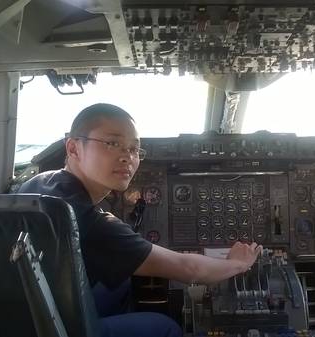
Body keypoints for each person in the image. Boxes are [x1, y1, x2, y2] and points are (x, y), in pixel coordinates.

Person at [18, 103, 262, 337]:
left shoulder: (40, 182)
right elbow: (189, 269)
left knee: (121, 281)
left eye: (134, 149)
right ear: (73, 149)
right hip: (53, 327)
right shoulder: (92, 223)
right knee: (166, 327)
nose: (127, 157)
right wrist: (238, 264)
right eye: (113, 143)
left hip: (22, 314)